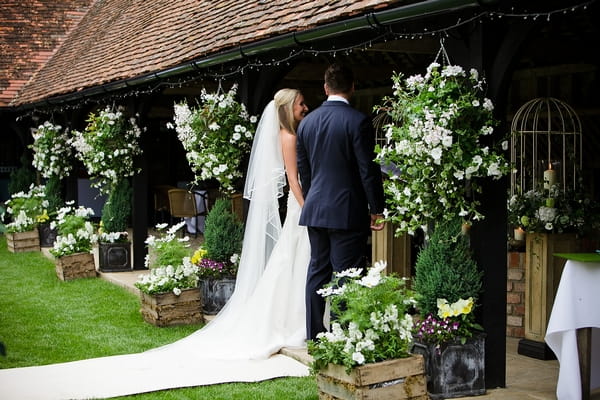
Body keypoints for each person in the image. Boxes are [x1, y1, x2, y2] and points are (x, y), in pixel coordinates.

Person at [0, 89, 312, 399]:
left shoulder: (291, 133)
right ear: (287, 108)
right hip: (300, 208)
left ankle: (296, 316)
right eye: (300, 103)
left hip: (300, 209)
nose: (305, 106)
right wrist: (306, 206)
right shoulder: (288, 137)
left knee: (293, 263)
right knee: (289, 263)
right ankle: (288, 319)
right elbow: (293, 180)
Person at [297, 63, 386, 341]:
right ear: (353, 87)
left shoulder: (307, 123)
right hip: (347, 210)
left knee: (318, 270)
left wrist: (314, 199)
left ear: (325, 88)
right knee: (346, 273)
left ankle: (315, 335)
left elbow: (305, 171)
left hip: (316, 209)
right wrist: (376, 209)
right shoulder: (357, 121)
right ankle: (343, 334)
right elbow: (367, 170)